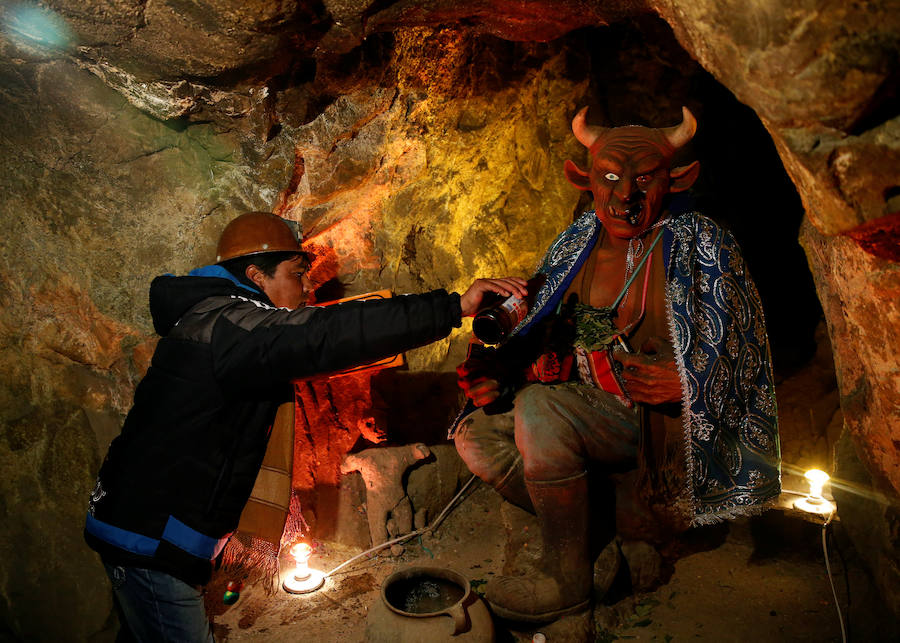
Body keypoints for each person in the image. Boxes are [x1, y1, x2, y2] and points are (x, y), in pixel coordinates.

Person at [84, 211, 527, 641]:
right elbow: (324, 333)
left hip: (150, 528)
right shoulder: (230, 323)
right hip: (150, 538)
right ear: (257, 276)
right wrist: (452, 307)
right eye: (297, 273)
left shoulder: (218, 320)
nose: (306, 287)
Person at [454, 107, 781, 623]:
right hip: (585, 409)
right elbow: (548, 325)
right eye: (609, 176)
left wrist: (688, 381)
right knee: (476, 437)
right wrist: (508, 371)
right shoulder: (577, 240)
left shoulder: (701, 243)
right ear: (584, 179)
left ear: (675, 181)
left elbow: (746, 348)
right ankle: (594, 528)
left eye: (642, 178)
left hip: (659, 429)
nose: (623, 194)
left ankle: (567, 577)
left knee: (541, 412)